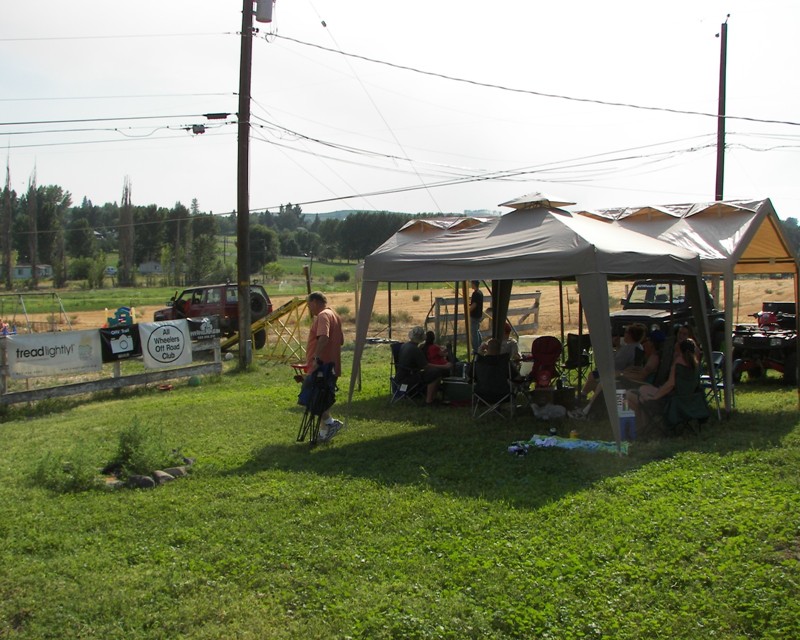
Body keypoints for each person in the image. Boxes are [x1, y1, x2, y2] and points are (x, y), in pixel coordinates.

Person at [627, 337, 707, 432]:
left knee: (629, 395)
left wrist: (656, 396)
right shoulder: (695, 365)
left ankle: (640, 425)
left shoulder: (679, 362)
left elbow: (670, 384)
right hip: (687, 400)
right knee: (644, 388)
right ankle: (644, 424)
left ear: (680, 350)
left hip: (672, 401)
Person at [304, 291, 345, 442]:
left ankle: (331, 424)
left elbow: (324, 337)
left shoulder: (322, 316)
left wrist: (316, 358)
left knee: (315, 399)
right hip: (332, 365)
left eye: (309, 305)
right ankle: (323, 433)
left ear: (315, 302)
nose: (310, 309)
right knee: (323, 399)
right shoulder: (335, 315)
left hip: (322, 366)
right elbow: (341, 340)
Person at [580, 323, 645, 400]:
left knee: (593, 375)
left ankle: (585, 396)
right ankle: (592, 397)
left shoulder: (628, 349)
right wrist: (617, 346)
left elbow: (616, 364)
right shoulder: (638, 346)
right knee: (595, 376)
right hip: (626, 374)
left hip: (621, 375)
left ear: (629, 335)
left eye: (626, 332)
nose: (624, 335)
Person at [397, 326, 450, 405]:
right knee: (435, 373)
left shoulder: (405, 345)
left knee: (433, 372)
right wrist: (444, 366)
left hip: (400, 376)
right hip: (408, 379)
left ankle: (432, 398)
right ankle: (429, 401)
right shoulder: (415, 349)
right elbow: (426, 366)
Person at [469, 280, 484, 354]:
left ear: (474, 284)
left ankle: (476, 349)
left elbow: (474, 305)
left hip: (474, 316)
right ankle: (480, 346)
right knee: (477, 331)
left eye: (471, 283)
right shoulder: (480, 293)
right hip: (478, 315)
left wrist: (468, 310)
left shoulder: (475, 294)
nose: (470, 285)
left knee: (474, 333)